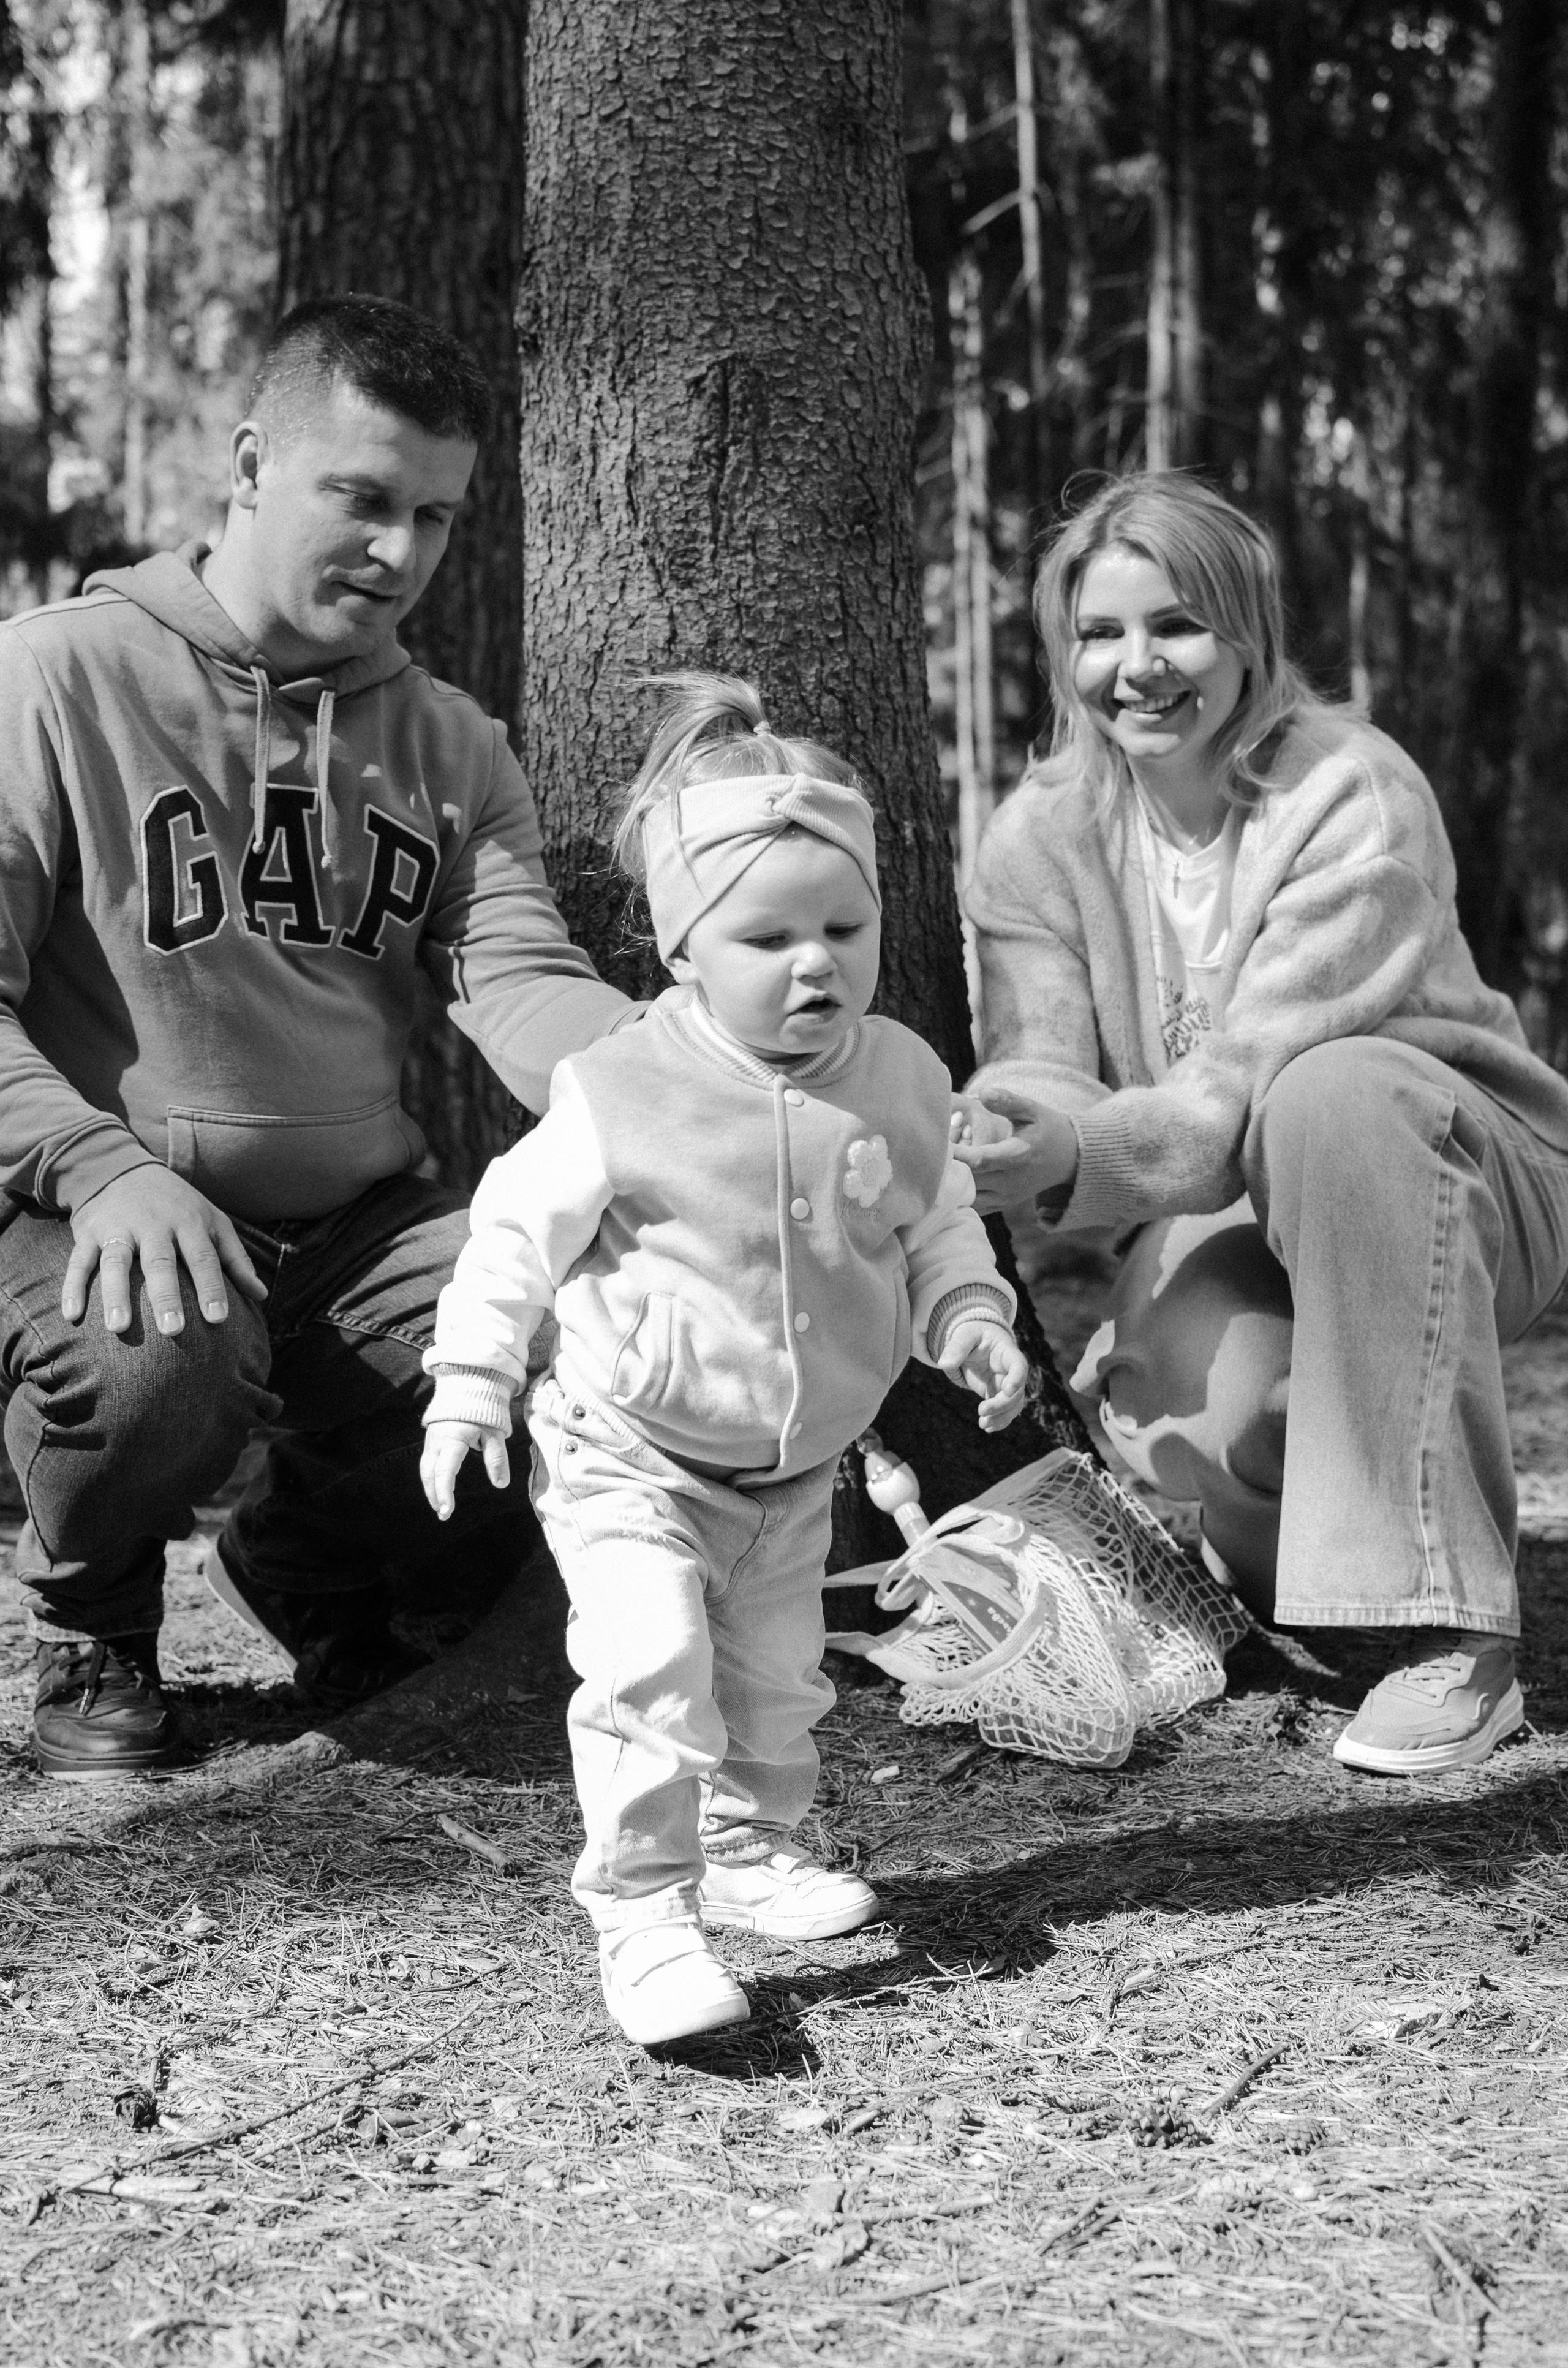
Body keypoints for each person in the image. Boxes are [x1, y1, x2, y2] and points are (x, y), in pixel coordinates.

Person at [0, 294, 634, 1780]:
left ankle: (312, 1558)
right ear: (246, 464)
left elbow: (523, 978)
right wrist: (99, 1164)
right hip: (96, 1207)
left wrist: (689, 1080)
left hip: (355, 1226)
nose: (399, 552)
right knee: (161, 1351)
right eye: (360, 498)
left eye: (434, 515)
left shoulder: (452, 745)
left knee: (586, 1328)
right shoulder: (55, 676)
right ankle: (91, 1612)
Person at [419, 675, 1028, 2046]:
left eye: (844, 927)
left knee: (772, 1682)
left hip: (793, 1462)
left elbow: (934, 1219)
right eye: (766, 936)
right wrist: (468, 1383)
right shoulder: (624, 1083)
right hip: (628, 1443)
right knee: (648, 1664)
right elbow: (515, 1230)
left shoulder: (899, 1075)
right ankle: (642, 1915)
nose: (815, 963)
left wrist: (968, 1322)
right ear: (686, 949)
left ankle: (748, 1850)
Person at [955, 471, 1568, 1777]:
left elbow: (1237, 1092)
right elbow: (1046, 1063)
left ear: (1244, 634)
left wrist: (1083, 1155)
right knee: (1183, 1408)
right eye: (1097, 634)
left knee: (1327, 1090)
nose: (1136, 667)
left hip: (1460, 1172)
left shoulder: (1348, 790)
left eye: (1174, 625)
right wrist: (1011, 1129)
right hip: (1239, 1201)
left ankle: (1458, 1635)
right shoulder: (1035, 837)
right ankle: (1322, 1559)